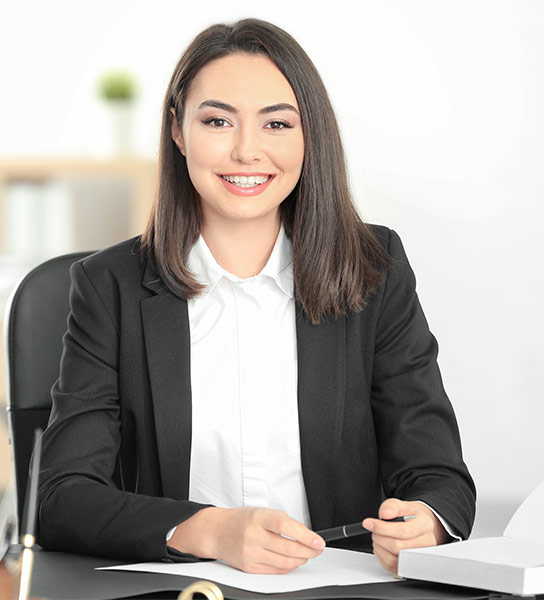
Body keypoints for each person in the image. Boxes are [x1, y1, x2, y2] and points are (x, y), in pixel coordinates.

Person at [38, 18, 476, 575]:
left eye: (276, 123)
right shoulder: (110, 287)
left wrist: (429, 521)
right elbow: (61, 496)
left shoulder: (374, 269)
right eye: (218, 120)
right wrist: (208, 530)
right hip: (183, 586)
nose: (247, 151)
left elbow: (439, 475)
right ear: (178, 130)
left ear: (308, 135)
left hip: (338, 586)